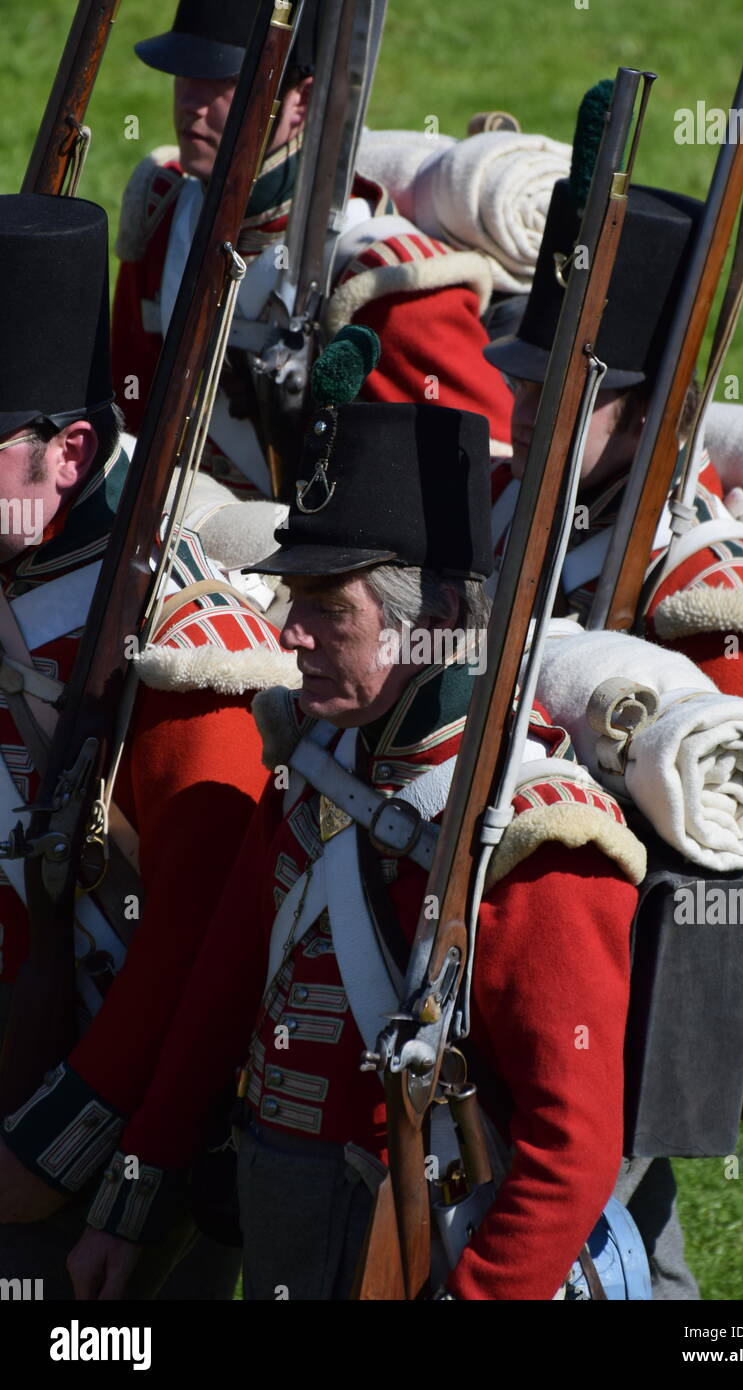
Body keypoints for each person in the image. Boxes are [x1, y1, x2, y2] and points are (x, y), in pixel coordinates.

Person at [56, 395, 648, 1301]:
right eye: (293, 596)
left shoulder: (534, 834)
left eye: (328, 607)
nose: (289, 631)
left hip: (409, 1246)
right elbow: (221, 994)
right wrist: (129, 1202)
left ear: (437, 614)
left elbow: (571, 1149)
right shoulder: (315, 761)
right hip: (280, 1217)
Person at [484, 122, 743, 1298]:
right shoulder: (526, 507)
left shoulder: (716, 584)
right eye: (528, 384)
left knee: (595, 1240)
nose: (526, 413)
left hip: (633, 967)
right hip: (503, 933)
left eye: (562, 396)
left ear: (642, 414)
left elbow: (728, 852)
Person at [0, 192, 297, 1298]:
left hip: (80, 1143)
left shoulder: (186, 649)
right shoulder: (14, 557)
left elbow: (193, 947)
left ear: (67, 451)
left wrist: (65, 1156)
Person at [112, 0, 515, 497]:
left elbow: (478, 483)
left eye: (224, 84)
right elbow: (127, 411)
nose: (192, 102)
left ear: (300, 101)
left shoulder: (377, 280)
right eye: (185, 75)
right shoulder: (163, 217)